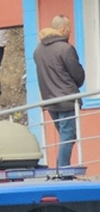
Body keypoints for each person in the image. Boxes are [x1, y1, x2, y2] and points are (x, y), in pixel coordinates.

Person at [34, 15, 85, 168]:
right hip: (68, 100)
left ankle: (61, 169)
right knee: (68, 137)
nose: (70, 31)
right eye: (69, 28)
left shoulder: (38, 50)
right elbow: (78, 76)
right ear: (63, 29)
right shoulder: (66, 48)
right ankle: (62, 170)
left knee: (65, 136)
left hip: (51, 102)